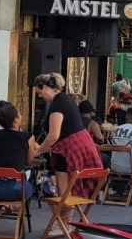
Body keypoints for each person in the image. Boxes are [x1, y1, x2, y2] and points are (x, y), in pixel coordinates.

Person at [35, 73, 105, 210]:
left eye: (39, 92)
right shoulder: (66, 99)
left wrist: (37, 151)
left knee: (64, 192)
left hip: (67, 150)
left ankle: (64, 226)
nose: (39, 96)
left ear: (45, 87)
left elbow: (54, 135)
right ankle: (66, 225)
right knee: (67, 190)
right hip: (78, 145)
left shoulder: (57, 105)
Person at [0, 104, 41, 202]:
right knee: (28, 186)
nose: (21, 116)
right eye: (20, 114)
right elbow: (29, 161)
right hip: (16, 190)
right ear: (15, 120)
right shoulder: (28, 137)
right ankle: (6, 209)